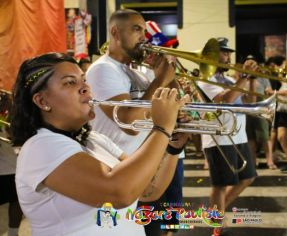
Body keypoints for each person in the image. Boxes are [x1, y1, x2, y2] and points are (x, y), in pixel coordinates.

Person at [11, 52, 188, 235]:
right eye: (70, 82)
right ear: (42, 101)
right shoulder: (40, 147)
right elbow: (119, 193)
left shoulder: (94, 139)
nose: (86, 88)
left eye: (84, 80)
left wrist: (173, 147)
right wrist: (162, 128)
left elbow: (148, 191)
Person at [197, 37, 257, 236]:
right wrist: (243, 77)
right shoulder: (205, 80)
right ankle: (217, 227)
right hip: (218, 138)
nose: (228, 56)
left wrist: (252, 79)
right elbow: (225, 101)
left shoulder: (231, 80)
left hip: (238, 135)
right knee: (220, 185)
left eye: (229, 52)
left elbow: (250, 100)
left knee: (247, 178)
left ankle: (215, 212)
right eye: (224, 52)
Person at [244, 55, 275, 170]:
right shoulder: (242, 76)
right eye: (248, 62)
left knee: (264, 137)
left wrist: (269, 92)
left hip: (261, 106)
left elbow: (269, 92)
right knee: (250, 137)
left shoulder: (263, 77)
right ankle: (253, 161)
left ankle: (269, 160)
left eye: (253, 63)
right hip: (247, 107)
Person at [0, 91, 23, 236]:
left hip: (13, 166)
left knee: (16, 201)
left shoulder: (7, 101)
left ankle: (13, 234)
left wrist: (11, 109)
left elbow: (13, 133)